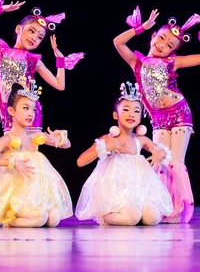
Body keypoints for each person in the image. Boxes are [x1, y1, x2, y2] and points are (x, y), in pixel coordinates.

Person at [113, 5, 200, 223]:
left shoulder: (172, 62)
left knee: (176, 162)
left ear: (173, 51)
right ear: (153, 36)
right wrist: (141, 27)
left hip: (179, 112)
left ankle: (178, 210)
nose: (162, 45)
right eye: (161, 39)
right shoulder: (137, 62)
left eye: (169, 45)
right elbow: (118, 42)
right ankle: (162, 206)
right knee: (160, 162)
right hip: (158, 118)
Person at [0, 0, 85, 134]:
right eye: (31, 31)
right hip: (8, 113)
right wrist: (1, 9)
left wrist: (60, 58)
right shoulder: (1, 51)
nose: (34, 38)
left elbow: (60, 85)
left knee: (29, 150)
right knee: (12, 151)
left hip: (28, 112)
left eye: (39, 37)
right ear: (19, 29)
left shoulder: (33, 60)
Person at [0, 80, 73, 227]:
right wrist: (12, 162)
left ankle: (32, 216)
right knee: (39, 219)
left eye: (33, 110)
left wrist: (57, 139)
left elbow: (67, 145)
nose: (30, 114)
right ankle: (8, 220)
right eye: (25, 108)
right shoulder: (7, 139)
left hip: (35, 193)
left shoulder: (35, 136)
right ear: (11, 111)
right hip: (18, 194)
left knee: (53, 218)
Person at [75, 81, 174, 226]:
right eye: (126, 109)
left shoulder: (141, 139)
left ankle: (138, 213)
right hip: (118, 194)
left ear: (140, 117)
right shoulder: (109, 139)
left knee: (153, 218)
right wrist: (105, 147)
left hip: (141, 192)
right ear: (116, 115)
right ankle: (108, 216)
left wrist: (160, 154)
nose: (131, 114)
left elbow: (161, 151)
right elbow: (81, 161)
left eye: (136, 111)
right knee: (132, 217)